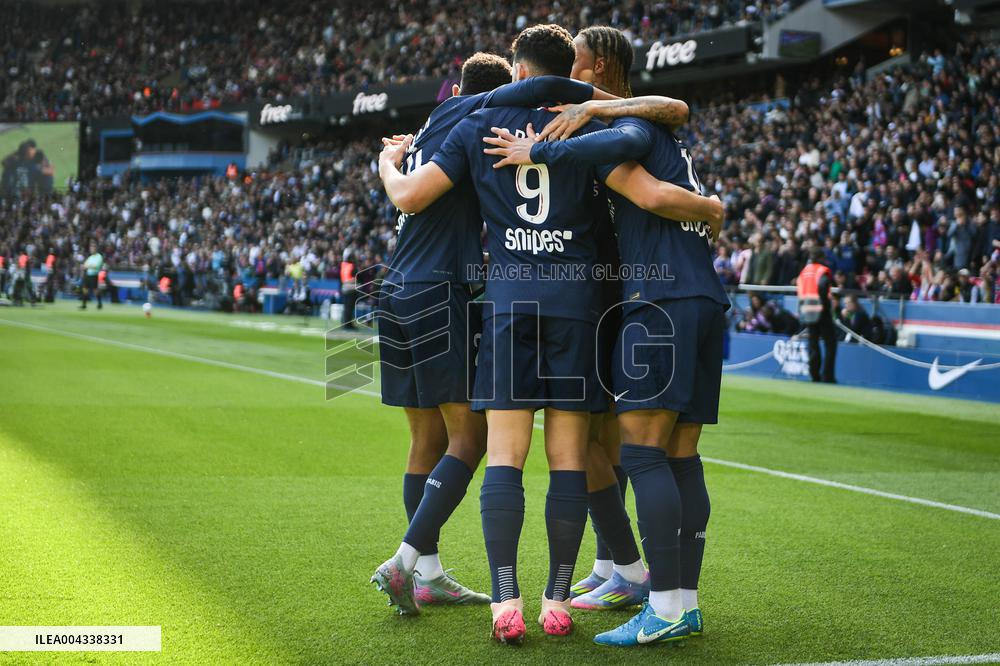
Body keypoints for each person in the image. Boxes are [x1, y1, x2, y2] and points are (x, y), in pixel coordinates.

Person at [382, 24, 723, 645]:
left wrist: (398, 153)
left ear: (517, 68)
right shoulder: (587, 126)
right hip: (581, 304)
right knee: (574, 455)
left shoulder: (474, 125)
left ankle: (504, 604)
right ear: (574, 69)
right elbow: (640, 188)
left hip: (510, 303)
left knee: (505, 453)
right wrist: (709, 209)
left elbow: (413, 195)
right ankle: (559, 598)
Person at [482, 27, 729, 646]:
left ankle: (663, 602)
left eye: (582, 68)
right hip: (700, 296)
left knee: (640, 453)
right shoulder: (649, 124)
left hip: (660, 300)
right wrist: (711, 207)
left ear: (600, 68)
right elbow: (667, 126)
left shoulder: (626, 126)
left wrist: (538, 153)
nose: (570, 80)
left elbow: (642, 176)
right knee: (679, 457)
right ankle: (673, 598)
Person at [797, 247, 837, 382]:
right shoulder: (821, 270)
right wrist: (825, 304)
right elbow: (823, 286)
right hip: (822, 310)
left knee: (813, 344)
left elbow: (800, 289)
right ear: (821, 258)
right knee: (830, 344)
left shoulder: (804, 271)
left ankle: (814, 375)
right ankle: (828, 376)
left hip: (807, 311)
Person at [79, 243, 104, 310]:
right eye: (91, 248)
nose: (91, 250)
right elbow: (85, 265)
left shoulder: (99, 256)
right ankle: (84, 305)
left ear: (95, 249)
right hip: (88, 275)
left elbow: (96, 266)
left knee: (95, 290)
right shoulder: (90, 257)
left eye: (93, 248)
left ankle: (99, 303)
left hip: (94, 275)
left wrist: (88, 266)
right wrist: (86, 266)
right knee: (85, 289)